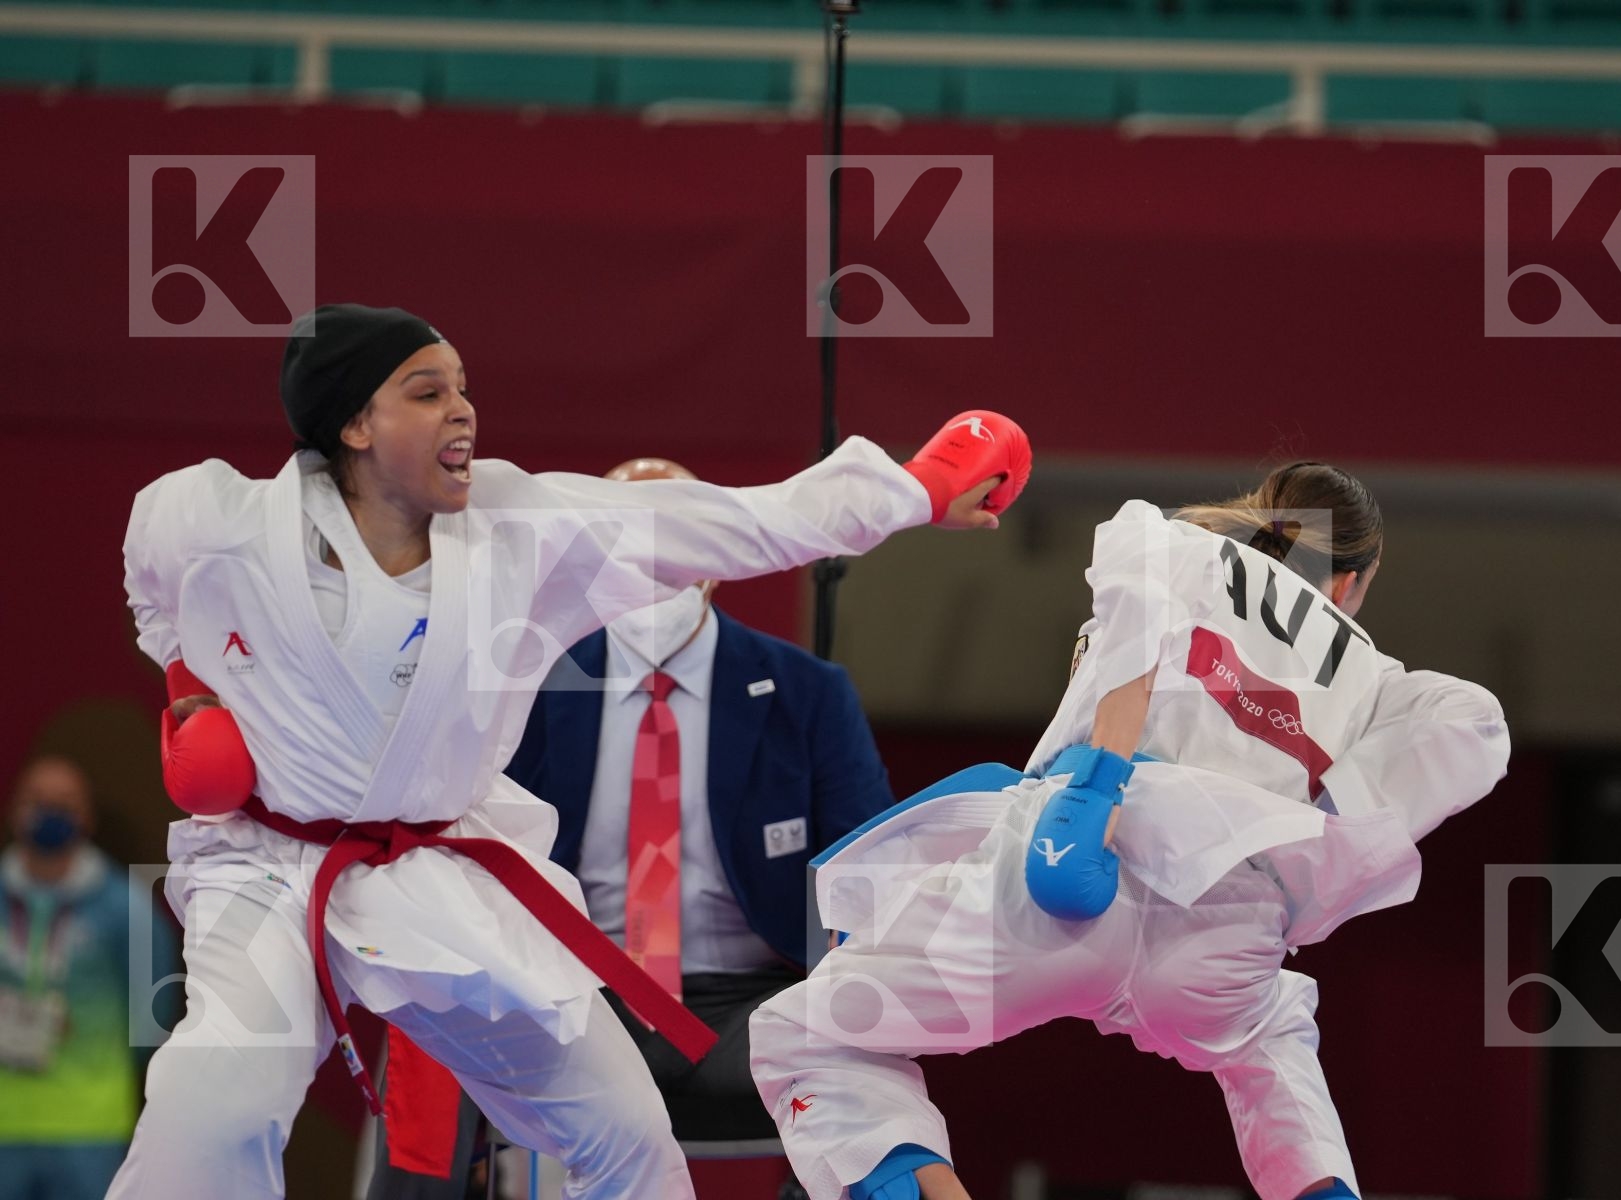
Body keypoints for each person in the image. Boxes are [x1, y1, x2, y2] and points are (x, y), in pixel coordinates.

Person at [109, 303, 1031, 1200]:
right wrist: (186, 685)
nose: (463, 409)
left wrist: (915, 490)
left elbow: (739, 522)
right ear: (353, 423)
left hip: (441, 869)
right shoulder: (210, 517)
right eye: (428, 392)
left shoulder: (527, 531)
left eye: (464, 387)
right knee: (213, 1109)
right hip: (269, 865)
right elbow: (150, 579)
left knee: (627, 1136)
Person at [749, 462, 1512, 1200]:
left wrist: (1093, 792)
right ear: (1352, 581)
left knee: (809, 1034)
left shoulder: (1169, 540)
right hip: (1227, 936)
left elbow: (1131, 631)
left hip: (1082, 864)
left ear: (1264, 520)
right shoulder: (1381, 682)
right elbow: (1476, 726)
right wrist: (1301, 860)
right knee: (1271, 1038)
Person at [371, 457, 897, 1196]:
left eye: (667, 543)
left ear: (713, 557)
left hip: (749, 1002)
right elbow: (454, 849)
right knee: (430, 1036)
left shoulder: (807, 693)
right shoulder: (522, 683)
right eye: (619, 544)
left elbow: (869, 871)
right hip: (575, 995)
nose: (647, 566)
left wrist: (849, 979)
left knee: (860, 1046)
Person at [0, 756, 176, 1200]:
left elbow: (154, 1016)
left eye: (64, 803)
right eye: (36, 801)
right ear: (12, 810)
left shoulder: (127, 907)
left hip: (89, 1125)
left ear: (87, 817)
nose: (49, 812)